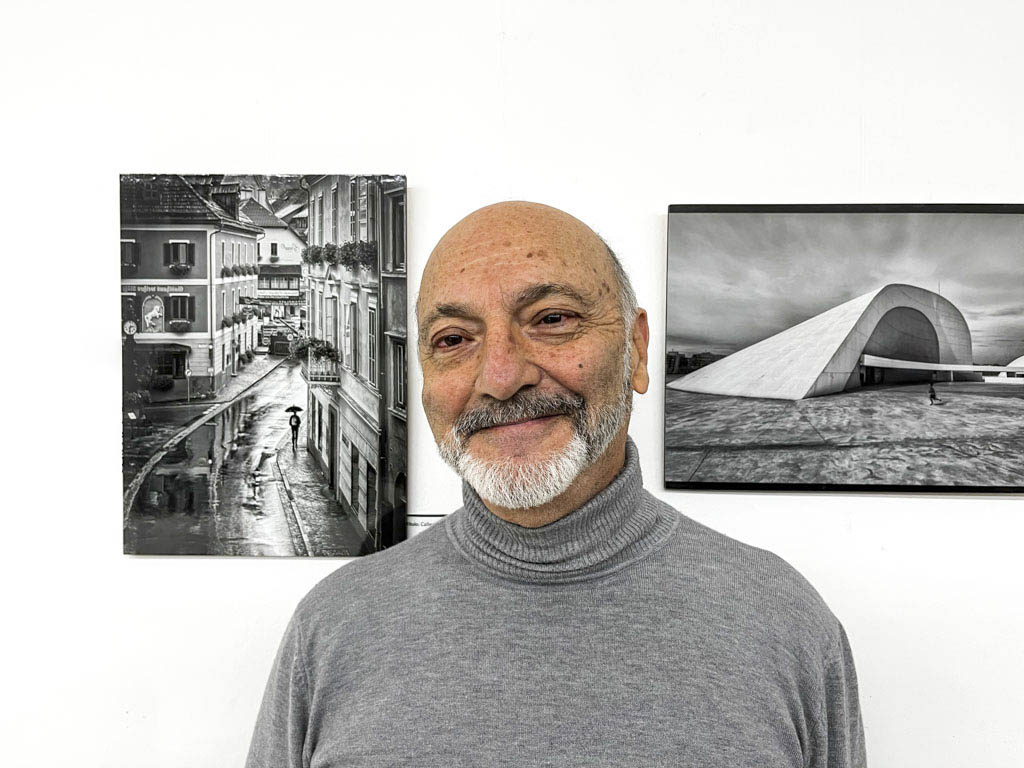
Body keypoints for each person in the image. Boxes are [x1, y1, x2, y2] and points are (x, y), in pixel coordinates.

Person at [246, 202, 867, 767]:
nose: (501, 375)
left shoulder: (784, 626)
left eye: (551, 319)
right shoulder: (332, 629)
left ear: (638, 350)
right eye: (454, 339)